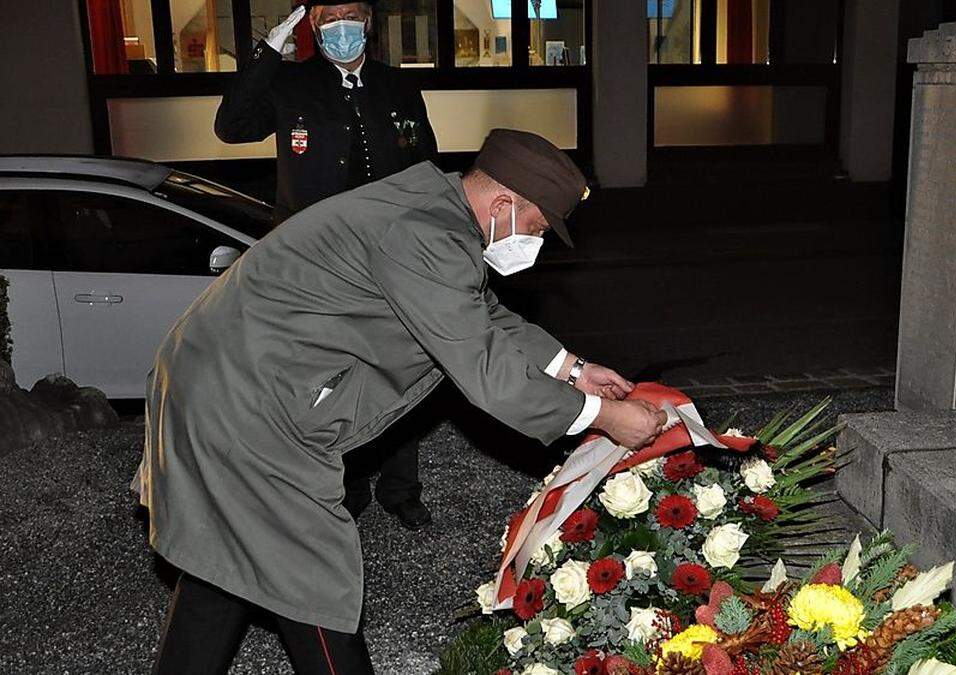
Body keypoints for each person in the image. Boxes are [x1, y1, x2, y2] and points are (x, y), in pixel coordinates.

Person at [135, 129, 666, 673]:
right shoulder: (423, 235)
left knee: (228, 558)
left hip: (226, 381)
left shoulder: (439, 209)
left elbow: (481, 312)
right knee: (312, 575)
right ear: (504, 203)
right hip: (247, 406)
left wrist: (573, 369)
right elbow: (485, 370)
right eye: (537, 228)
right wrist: (604, 417)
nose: (537, 241)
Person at [215, 0, 440, 527]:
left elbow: (425, 161)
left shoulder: (397, 85)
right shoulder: (290, 84)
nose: (342, 27)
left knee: (399, 366)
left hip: (390, 257)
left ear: (368, 23)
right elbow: (231, 126)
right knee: (333, 375)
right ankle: (348, 483)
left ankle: (401, 487)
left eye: (352, 16)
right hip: (317, 264)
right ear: (314, 26)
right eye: (329, 18)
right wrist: (268, 52)